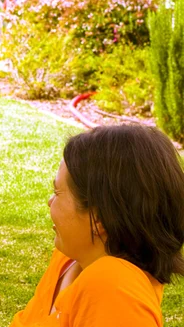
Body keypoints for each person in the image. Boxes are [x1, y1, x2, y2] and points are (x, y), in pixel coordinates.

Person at [11, 125, 184, 327]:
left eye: (57, 193)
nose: (50, 201)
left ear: (99, 218)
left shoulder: (115, 289)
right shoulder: (70, 258)